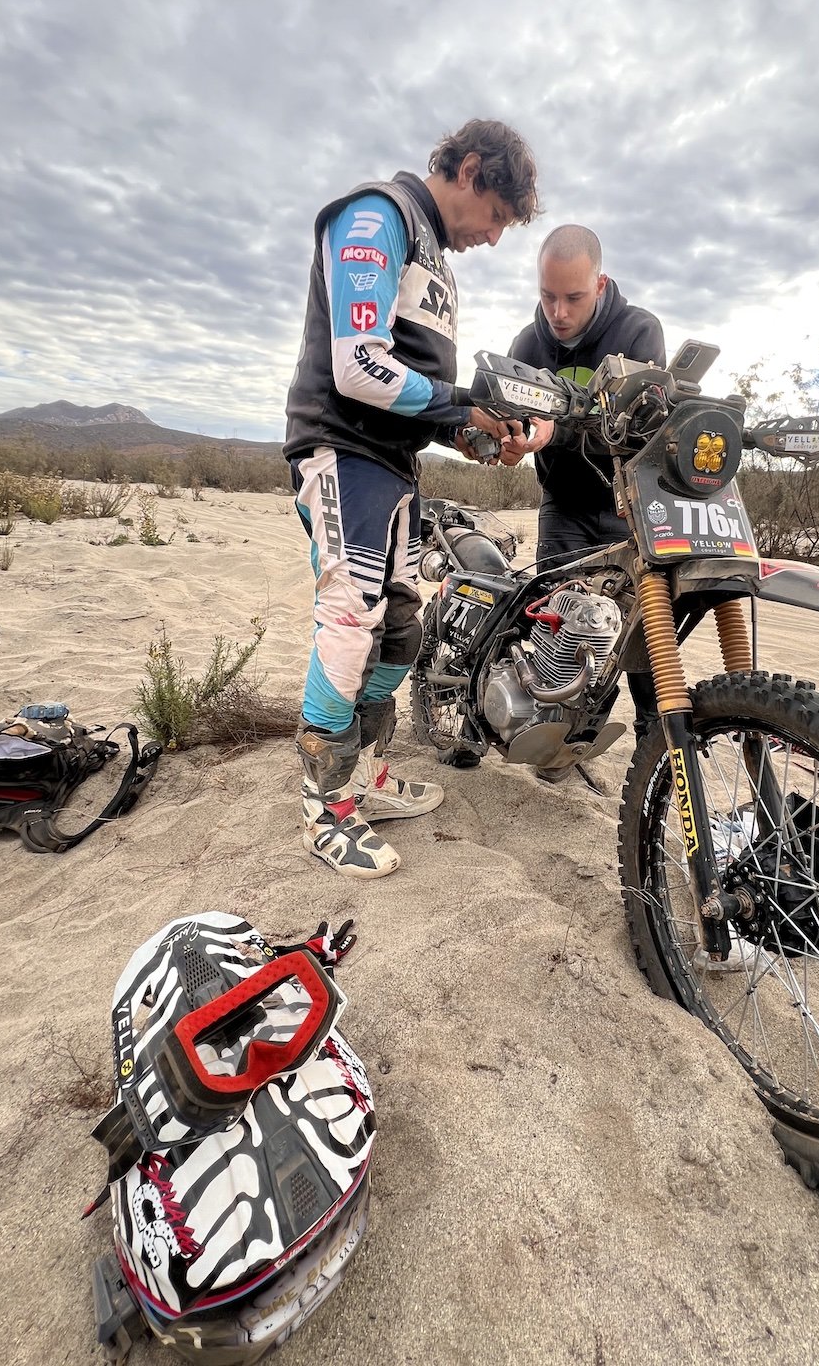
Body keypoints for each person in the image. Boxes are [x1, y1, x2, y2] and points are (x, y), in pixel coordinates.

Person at [284, 119, 540, 878]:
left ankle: (360, 783)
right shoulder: (376, 216)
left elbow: (411, 394)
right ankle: (322, 811)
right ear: (468, 169)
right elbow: (359, 364)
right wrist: (462, 405)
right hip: (340, 450)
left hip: (391, 463)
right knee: (350, 620)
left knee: (400, 630)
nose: (494, 238)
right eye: (496, 216)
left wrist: (475, 435)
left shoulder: (432, 252)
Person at [509, 225, 665, 765]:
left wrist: (561, 428)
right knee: (557, 625)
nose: (558, 310)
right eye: (547, 295)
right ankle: (559, 746)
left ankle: (659, 752)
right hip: (564, 504)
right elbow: (516, 418)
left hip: (629, 510)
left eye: (573, 296)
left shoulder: (639, 331)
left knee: (640, 637)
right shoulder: (526, 348)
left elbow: (641, 427)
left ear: (599, 283)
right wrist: (510, 438)